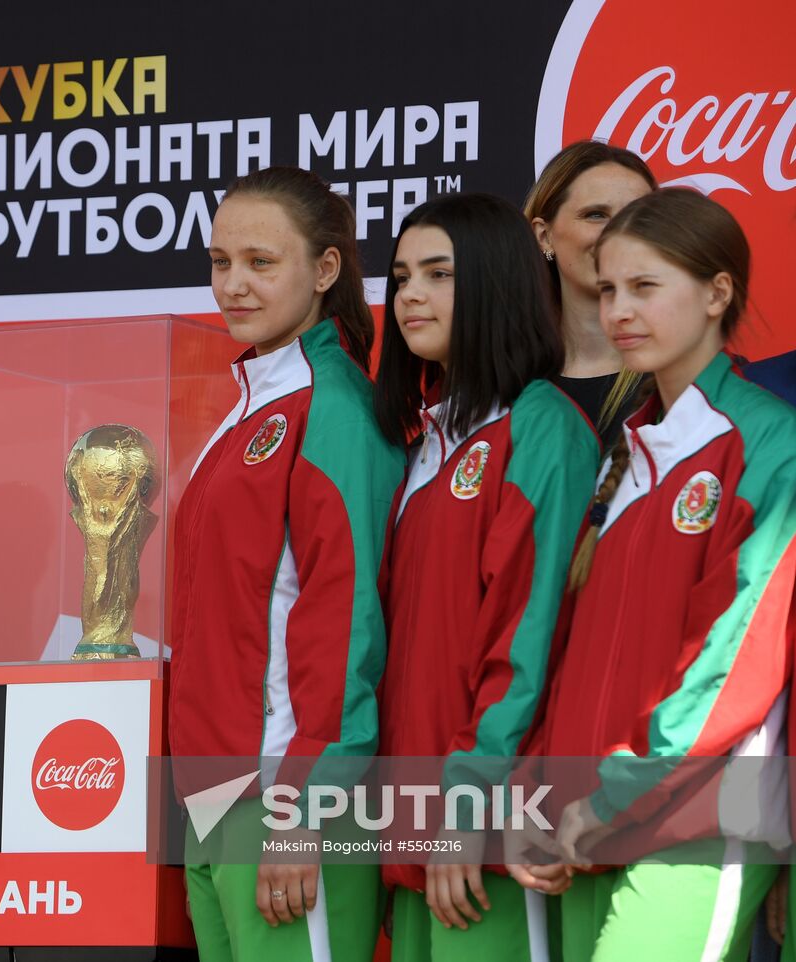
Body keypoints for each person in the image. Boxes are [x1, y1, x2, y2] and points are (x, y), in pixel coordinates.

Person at [543, 188, 795, 961]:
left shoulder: (768, 441)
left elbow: (735, 661)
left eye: (646, 287)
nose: (619, 309)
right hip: (590, 814)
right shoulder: (632, 449)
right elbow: (578, 654)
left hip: (699, 816)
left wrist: (615, 793)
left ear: (717, 292)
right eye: (610, 288)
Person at [170, 165, 404, 962]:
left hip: (284, 801)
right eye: (219, 262)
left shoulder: (332, 407)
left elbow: (346, 622)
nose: (232, 285)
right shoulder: (249, 404)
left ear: (326, 269)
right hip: (212, 799)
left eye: (261, 263)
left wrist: (305, 803)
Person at [373, 193, 600, 960]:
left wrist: (465, 808)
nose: (410, 294)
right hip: (409, 835)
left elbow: (525, 639)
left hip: (490, 835)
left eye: (439, 274)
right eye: (402, 276)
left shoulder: (542, 428)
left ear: (499, 284)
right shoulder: (424, 441)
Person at [524, 140, 656, 448]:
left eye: (639, 216)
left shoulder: (692, 379)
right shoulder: (500, 383)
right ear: (544, 236)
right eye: (596, 215)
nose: (621, 232)